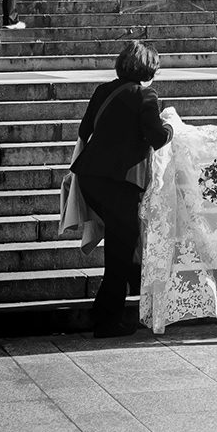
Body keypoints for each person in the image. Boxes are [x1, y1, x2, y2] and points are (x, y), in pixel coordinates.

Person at [73, 42, 174, 337]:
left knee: (122, 243)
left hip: (91, 177)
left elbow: (84, 131)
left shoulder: (104, 90)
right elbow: (157, 138)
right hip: (120, 183)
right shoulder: (146, 95)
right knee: (121, 248)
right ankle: (107, 319)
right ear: (148, 70)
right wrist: (169, 125)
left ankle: (115, 308)